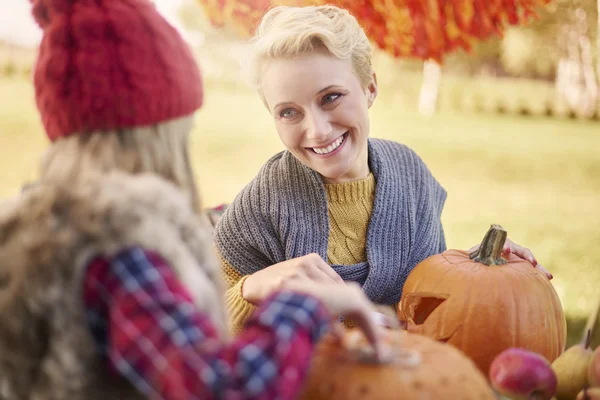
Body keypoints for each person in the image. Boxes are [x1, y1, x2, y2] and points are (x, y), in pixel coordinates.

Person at [0, 1, 388, 399]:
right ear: (159, 130)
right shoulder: (117, 249)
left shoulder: (34, 234)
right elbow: (219, 388)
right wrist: (303, 305)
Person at [214, 4, 553, 336]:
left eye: (331, 97)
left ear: (370, 88)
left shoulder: (409, 176)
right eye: (289, 112)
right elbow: (203, 326)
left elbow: (429, 296)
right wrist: (252, 288)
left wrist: (487, 266)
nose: (317, 131)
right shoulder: (259, 208)